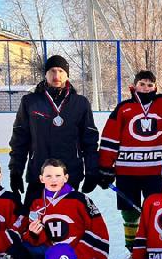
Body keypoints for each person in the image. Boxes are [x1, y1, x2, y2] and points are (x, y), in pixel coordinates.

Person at [98, 70, 162, 251]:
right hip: (127, 171)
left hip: (156, 172)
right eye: (142, 84)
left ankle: (155, 248)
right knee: (129, 213)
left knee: (157, 210)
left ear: (155, 87)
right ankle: (133, 251)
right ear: (134, 86)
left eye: (150, 85)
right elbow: (110, 138)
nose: (146, 88)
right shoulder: (124, 108)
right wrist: (105, 166)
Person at [8, 55, 100, 206]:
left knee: (68, 222)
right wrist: (15, 170)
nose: (56, 76)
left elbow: (89, 140)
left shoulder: (80, 103)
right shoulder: (31, 102)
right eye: (52, 71)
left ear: (67, 74)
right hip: (39, 173)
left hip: (69, 174)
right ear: (45, 74)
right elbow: (20, 139)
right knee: (32, 222)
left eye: (61, 71)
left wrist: (91, 170)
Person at [23, 159, 109, 259]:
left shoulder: (80, 200)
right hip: (52, 252)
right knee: (20, 249)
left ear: (66, 178)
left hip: (78, 253)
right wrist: (34, 234)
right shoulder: (37, 203)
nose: (53, 180)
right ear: (41, 179)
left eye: (58, 175)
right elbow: (35, 237)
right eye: (48, 176)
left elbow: (98, 231)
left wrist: (75, 257)